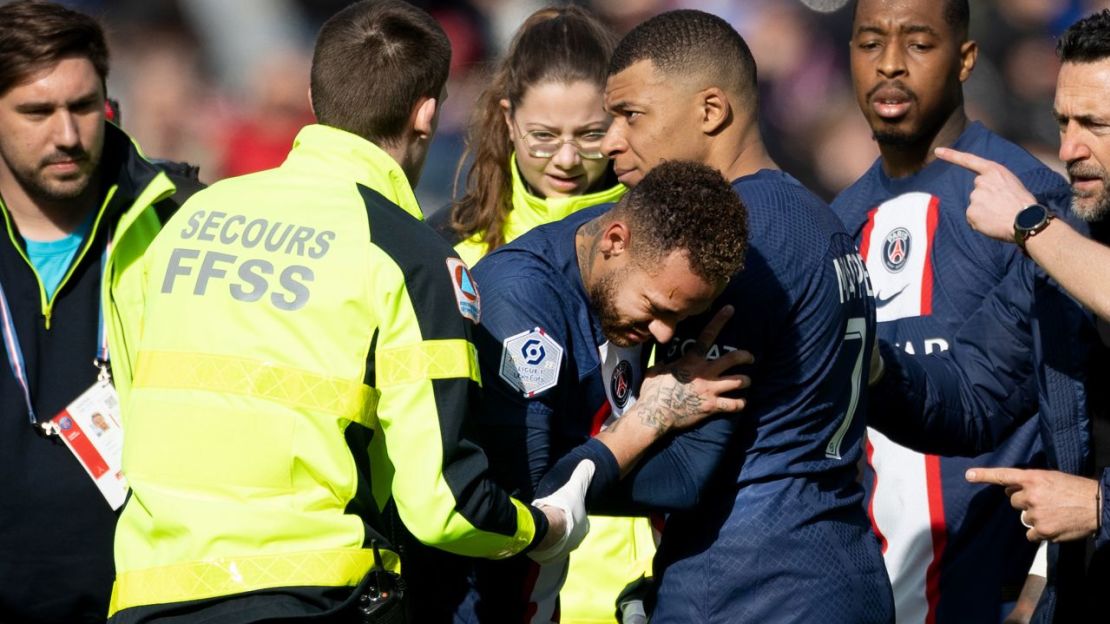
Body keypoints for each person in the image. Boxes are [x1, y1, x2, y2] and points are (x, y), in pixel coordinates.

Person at [107, 3, 743, 623]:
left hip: (148, 587)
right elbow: (442, 503)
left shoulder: (190, 217)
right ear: (428, 113)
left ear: (314, 90)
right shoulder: (407, 254)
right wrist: (541, 525)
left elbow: (130, 392)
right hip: (307, 587)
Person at [564, 9, 893, 622]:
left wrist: (537, 477)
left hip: (752, 587)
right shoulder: (815, 217)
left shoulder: (736, 248)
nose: (610, 140)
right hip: (835, 566)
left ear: (710, 111)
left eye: (631, 115)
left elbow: (685, 471)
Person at [831, 1, 1069, 621]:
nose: (889, 65)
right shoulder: (833, 225)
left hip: (989, 600)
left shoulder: (1028, 205)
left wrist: (1042, 585)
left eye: (918, 44)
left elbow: (1071, 413)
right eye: (869, 44)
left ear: (965, 59)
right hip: (866, 597)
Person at [428, 7, 653, 623]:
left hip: (634, 577)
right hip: (515, 577)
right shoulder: (458, 247)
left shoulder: (660, 239)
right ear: (507, 118)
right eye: (543, 136)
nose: (567, 160)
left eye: (589, 134)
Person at [462, 159, 751, 623]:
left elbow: (680, 482)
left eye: (678, 317)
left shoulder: (624, 281)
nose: (662, 334)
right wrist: (645, 421)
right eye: (655, 308)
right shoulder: (522, 300)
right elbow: (533, 509)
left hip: (538, 602)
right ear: (614, 241)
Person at [0, 2, 201, 622]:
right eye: (37, 112)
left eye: (83, 107)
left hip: (141, 604)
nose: (66, 134)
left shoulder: (180, 224)